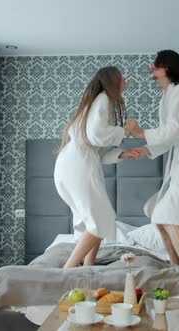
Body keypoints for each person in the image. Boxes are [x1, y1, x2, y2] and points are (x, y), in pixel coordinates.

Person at [125, 50, 179, 265]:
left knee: (167, 214)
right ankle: (175, 266)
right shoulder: (166, 96)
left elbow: (176, 130)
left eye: (156, 64)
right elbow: (169, 138)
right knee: (158, 213)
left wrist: (139, 133)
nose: (152, 67)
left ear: (167, 67)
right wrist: (144, 149)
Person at [55, 66, 139, 268]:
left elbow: (94, 143)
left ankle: (88, 267)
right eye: (121, 76)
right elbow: (95, 135)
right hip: (78, 166)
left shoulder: (95, 104)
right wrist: (124, 131)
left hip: (71, 164)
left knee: (94, 220)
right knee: (101, 219)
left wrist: (121, 153)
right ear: (113, 80)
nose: (125, 78)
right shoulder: (104, 100)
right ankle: (68, 270)